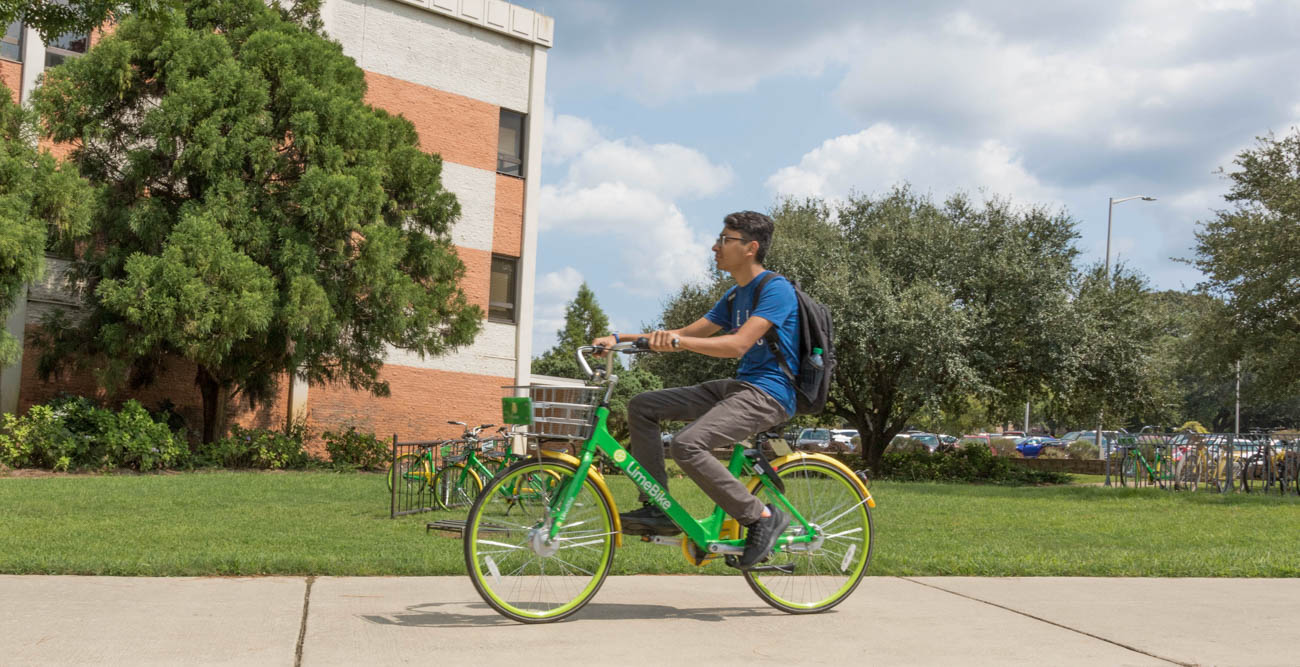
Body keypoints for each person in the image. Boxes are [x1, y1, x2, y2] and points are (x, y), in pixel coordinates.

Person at [590, 211, 799, 569]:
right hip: (739, 388)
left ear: (750, 248)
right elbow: (690, 330)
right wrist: (619, 338)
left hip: (770, 393)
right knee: (643, 406)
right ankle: (656, 505)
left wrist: (679, 342)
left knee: (687, 444)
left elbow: (737, 345)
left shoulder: (776, 290)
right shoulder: (735, 296)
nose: (715, 247)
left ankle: (762, 517)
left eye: (725, 240)